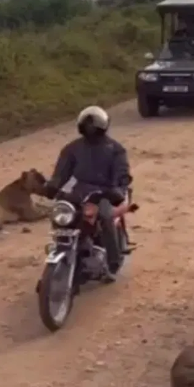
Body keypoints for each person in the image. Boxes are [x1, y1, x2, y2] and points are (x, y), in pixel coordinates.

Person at [45, 105, 132, 281]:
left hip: (106, 192)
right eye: (87, 125)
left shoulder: (115, 149)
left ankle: (113, 262)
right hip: (81, 190)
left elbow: (122, 174)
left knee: (106, 216)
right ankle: (63, 246)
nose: (91, 128)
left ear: (103, 127)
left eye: (94, 125)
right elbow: (61, 173)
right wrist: (52, 186)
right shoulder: (72, 149)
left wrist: (118, 187)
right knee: (62, 212)